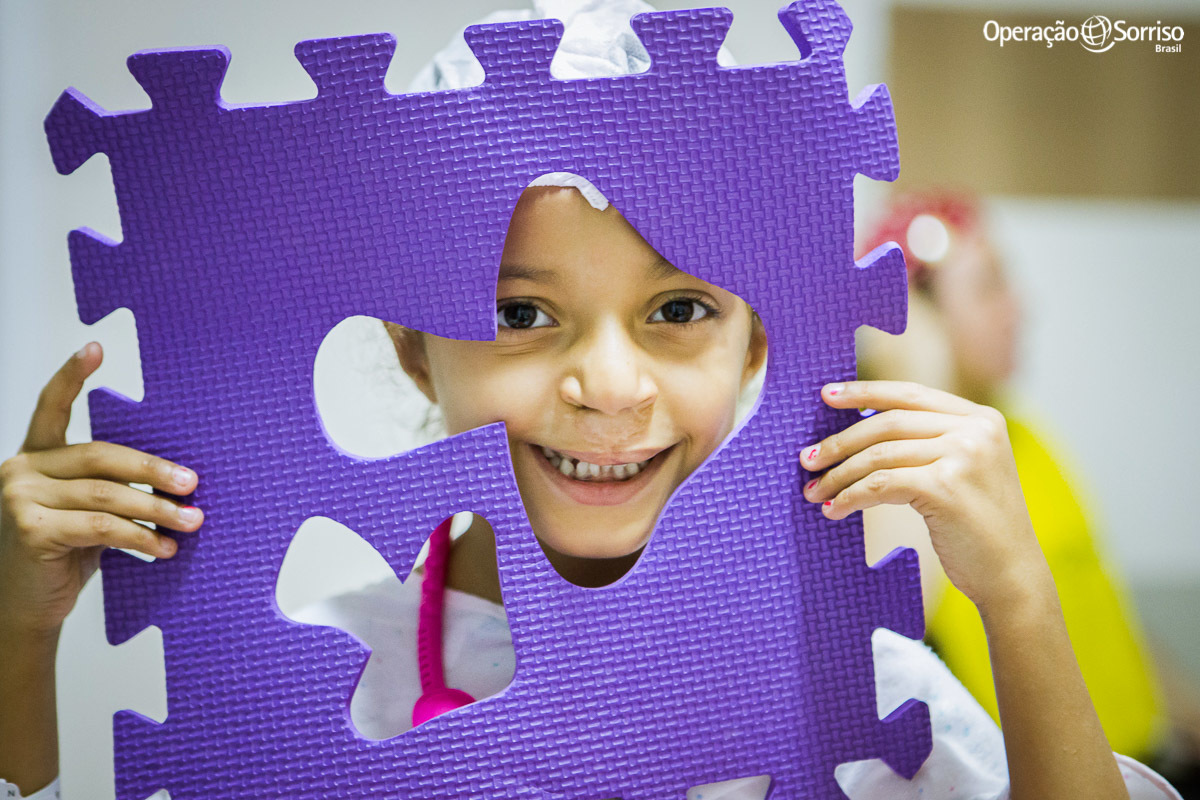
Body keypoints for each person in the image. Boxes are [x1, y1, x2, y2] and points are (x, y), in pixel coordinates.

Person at [0, 2, 1185, 798]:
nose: (610, 385)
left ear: (753, 345)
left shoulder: (853, 673)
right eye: (520, 313)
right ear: (417, 355)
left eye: (680, 311)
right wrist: (19, 635)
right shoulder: (337, 668)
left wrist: (1021, 602)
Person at [856, 188, 1200, 795]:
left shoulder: (1022, 433)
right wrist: (917, 375)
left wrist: (1179, 705)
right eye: (988, 288)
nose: (1019, 307)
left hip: (1144, 764)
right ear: (915, 314)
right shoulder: (888, 457)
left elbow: (1087, 594)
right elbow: (884, 625)